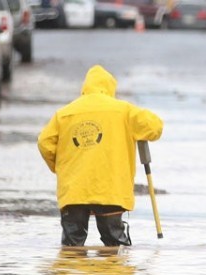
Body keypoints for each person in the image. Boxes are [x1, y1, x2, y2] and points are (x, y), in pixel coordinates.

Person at [37, 65, 163, 247]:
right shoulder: (124, 111)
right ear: (110, 88)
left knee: (72, 246)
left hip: (74, 190)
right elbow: (155, 127)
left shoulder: (64, 114)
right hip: (110, 190)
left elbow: (44, 142)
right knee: (115, 245)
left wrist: (61, 169)